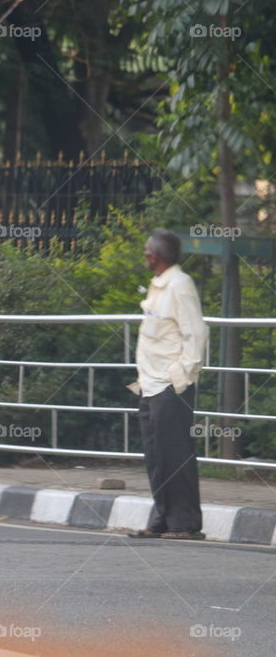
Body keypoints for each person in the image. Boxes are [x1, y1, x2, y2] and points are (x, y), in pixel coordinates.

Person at [128, 229, 208, 540]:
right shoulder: (159, 287)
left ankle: (185, 523)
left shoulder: (180, 285)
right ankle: (163, 516)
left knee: (176, 454)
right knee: (157, 456)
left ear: (157, 255)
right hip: (150, 383)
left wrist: (180, 378)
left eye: (148, 249)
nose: (145, 254)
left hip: (171, 385)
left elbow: (195, 336)